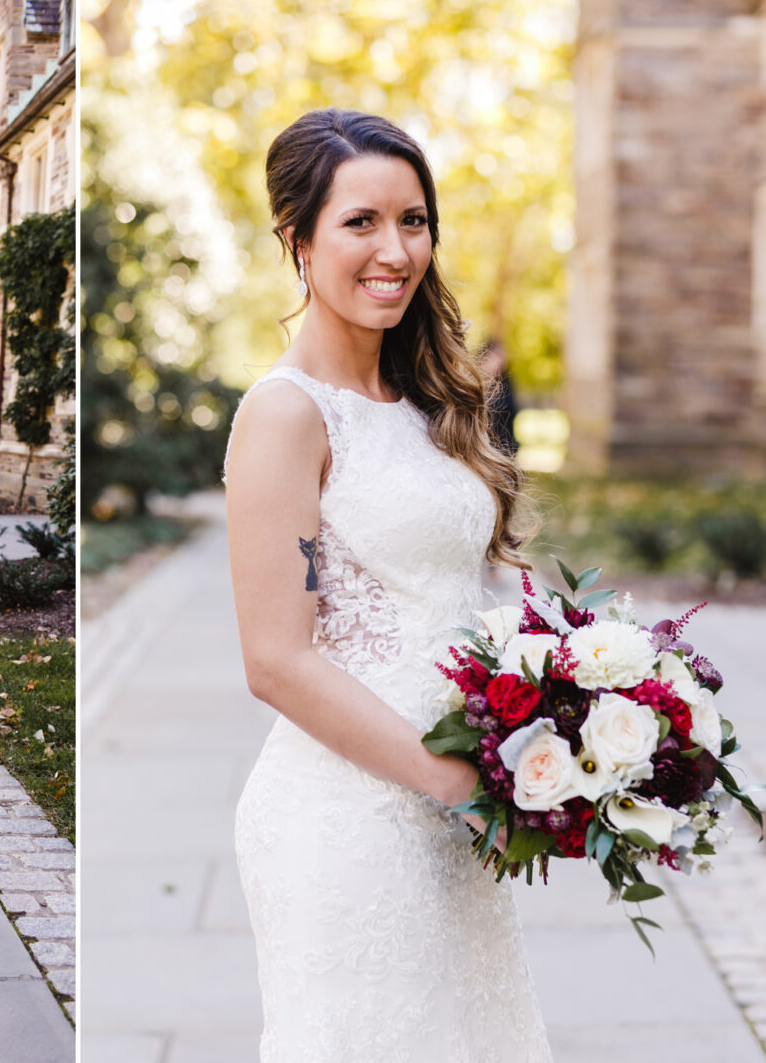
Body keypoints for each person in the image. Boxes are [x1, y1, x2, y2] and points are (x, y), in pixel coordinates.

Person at [223, 109, 551, 1059]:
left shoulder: (422, 405)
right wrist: (449, 780)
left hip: (456, 804)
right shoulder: (286, 416)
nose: (394, 249)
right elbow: (277, 658)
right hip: (354, 817)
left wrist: (547, 720)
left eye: (414, 221)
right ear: (298, 238)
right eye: (360, 222)